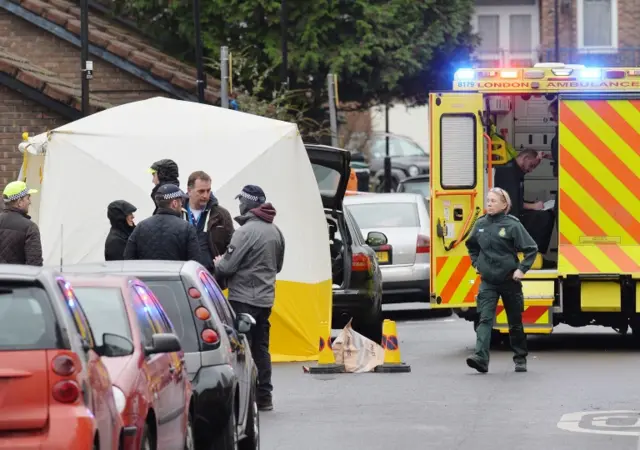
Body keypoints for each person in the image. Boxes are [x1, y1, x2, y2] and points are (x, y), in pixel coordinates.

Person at [214, 185, 285, 412]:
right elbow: (279, 266)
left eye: (241, 201)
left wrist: (218, 262)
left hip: (243, 300)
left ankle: (243, 398)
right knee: (261, 348)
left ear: (248, 203)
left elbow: (227, 267)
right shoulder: (276, 232)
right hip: (265, 300)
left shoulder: (244, 232)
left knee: (240, 348)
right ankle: (265, 396)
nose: (239, 205)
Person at [465, 187, 538, 374]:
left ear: (504, 204)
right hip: (488, 281)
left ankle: (520, 358)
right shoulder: (480, 224)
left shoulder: (512, 225)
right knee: (485, 319)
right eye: (488, 200)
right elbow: (471, 245)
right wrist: (476, 263)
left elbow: (531, 248)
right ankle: (480, 358)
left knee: (514, 322)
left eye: (493, 201)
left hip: (509, 281)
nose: (489, 204)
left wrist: (522, 269)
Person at [494, 149, 555, 255]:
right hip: (506, 218)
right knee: (544, 217)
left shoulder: (515, 171)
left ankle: (535, 253)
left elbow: (516, 198)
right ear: (525, 158)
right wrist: (533, 206)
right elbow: (511, 203)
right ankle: (532, 255)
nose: (531, 170)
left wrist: (532, 204)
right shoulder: (508, 173)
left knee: (544, 215)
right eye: (531, 165)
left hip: (511, 214)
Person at [124, 184, 200, 261]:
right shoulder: (186, 228)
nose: (181, 204)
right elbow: (195, 262)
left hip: (146, 273)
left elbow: (129, 258)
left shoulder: (141, 227)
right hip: (176, 273)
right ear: (174, 203)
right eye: (181, 201)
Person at [182, 171, 234, 272]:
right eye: (201, 191)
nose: (206, 195)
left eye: (208, 190)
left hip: (213, 278)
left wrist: (223, 266)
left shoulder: (221, 214)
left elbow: (232, 246)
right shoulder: (177, 213)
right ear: (189, 190)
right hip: (183, 277)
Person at [0, 181, 42, 266]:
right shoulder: (30, 227)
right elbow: (34, 265)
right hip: (18, 279)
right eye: (28, 198)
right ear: (19, 202)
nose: (29, 202)